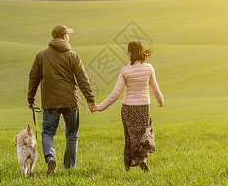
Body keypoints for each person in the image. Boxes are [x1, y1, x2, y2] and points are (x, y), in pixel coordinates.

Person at [27, 25, 97, 176]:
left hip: (50, 102)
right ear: (64, 37)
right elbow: (83, 79)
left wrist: (31, 98)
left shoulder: (42, 55)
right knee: (72, 135)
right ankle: (69, 168)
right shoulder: (73, 56)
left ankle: (51, 157)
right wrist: (90, 99)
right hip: (71, 101)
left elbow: (33, 79)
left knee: (47, 133)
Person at [93, 40, 164, 172]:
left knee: (130, 137)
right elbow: (154, 87)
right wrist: (160, 100)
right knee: (145, 135)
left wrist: (99, 107)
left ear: (130, 53)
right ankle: (143, 159)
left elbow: (115, 94)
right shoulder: (148, 68)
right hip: (143, 108)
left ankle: (128, 167)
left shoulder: (125, 71)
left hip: (128, 109)